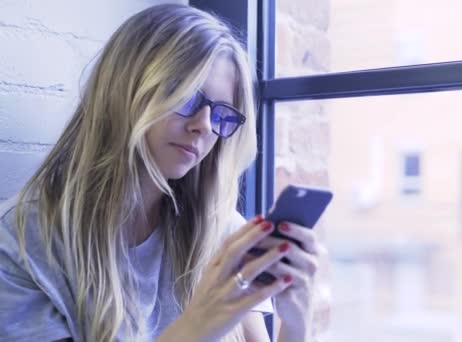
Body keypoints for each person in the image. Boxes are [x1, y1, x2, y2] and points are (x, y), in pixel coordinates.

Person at [0, 4, 322, 342]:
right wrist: (198, 324)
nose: (203, 126)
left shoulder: (222, 230)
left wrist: (296, 323)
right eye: (184, 96)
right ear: (123, 91)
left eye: (221, 114)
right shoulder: (22, 244)